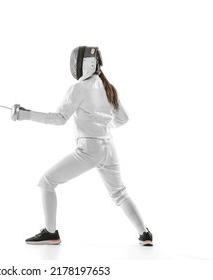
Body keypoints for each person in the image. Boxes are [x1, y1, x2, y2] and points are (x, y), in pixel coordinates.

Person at [11, 46, 153, 246]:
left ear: (84, 64)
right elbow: (123, 118)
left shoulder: (79, 88)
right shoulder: (108, 87)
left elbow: (60, 118)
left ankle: (51, 233)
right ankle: (145, 234)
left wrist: (25, 115)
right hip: (109, 148)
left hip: (89, 150)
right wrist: (102, 125)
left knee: (47, 182)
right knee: (119, 193)